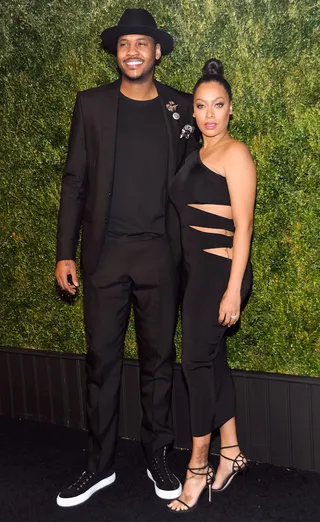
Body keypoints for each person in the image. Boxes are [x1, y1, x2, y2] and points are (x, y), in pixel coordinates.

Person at [55, 8, 198, 507]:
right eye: (124, 45)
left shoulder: (182, 110)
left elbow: (196, 185)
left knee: (160, 361)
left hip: (161, 258)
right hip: (105, 258)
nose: (132, 51)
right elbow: (74, 181)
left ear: (157, 52)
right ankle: (98, 466)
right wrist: (64, 253)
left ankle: (158, 456)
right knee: (102, 363)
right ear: (117, 54)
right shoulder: (91, 105)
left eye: (142, 43)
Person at [167, 58, 256, 513]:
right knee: (212, 363)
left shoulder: (235, 153)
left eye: (218, 105)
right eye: (201, 105)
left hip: (221, 276)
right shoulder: (196, 154)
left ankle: (198, 468)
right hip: (196, 276)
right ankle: (233, 451)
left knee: (194, 369)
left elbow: (244, 227)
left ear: (230, 109)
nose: (209, 114)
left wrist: (233, 289)